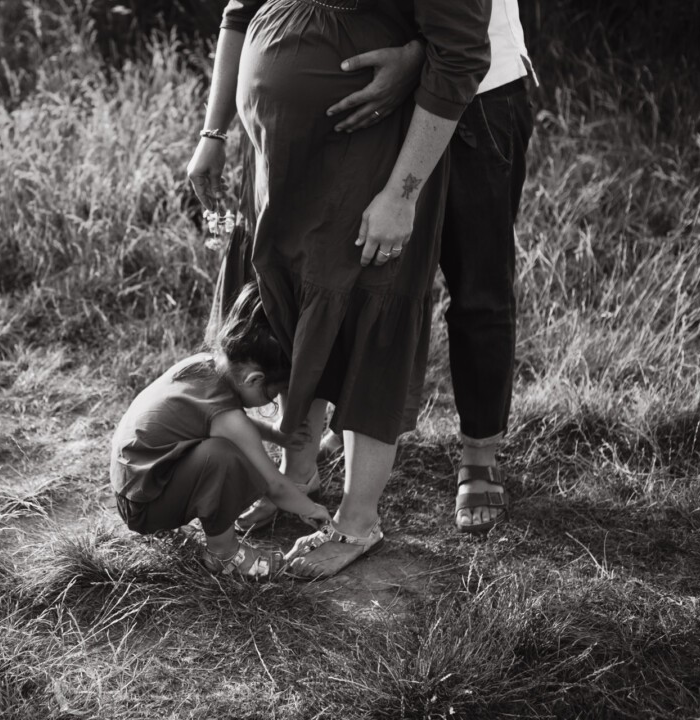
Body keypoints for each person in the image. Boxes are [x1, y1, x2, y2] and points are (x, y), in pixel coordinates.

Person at [187, 0, 491, 578]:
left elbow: (461, 53)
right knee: (288, 307)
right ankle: (295, 470)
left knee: (366, 307)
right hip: (278, 158)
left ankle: (358, 519)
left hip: (373, 155)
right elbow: (239, 10)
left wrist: (401, 195)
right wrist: (215, 129)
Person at [319, 0, 536, 533]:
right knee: (360, 273)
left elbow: (463, 36)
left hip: (478, 95)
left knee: (477, 285)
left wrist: (418, 56)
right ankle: (350, 420)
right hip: (381, 96)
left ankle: (479, 452)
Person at [110, 281, 331, 579]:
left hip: (134, 488)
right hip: (144, 505)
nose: (269, 402)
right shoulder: (228, 419)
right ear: (254, 379)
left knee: (223, 450)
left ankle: (208, 529)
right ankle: (223, 553)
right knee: (224, 459)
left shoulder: (204, 365)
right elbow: (274, 484)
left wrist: (274, 434)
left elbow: (219, 421)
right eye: (272, 394)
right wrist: (309, 508)